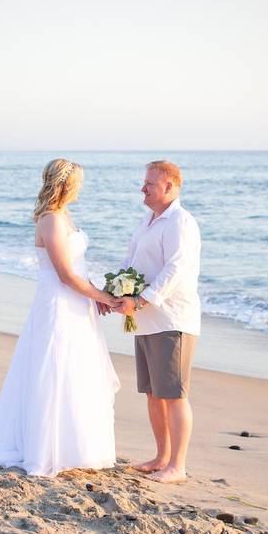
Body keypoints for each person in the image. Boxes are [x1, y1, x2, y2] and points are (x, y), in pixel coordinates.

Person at [0, 158, 122, 477]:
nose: (82, 186)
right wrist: (103, 296)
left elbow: (79, 270)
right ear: (67, 184)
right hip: (58, 305)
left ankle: (76, 444)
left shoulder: (65, 216)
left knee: (77, 370)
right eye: (79, 181)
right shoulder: (51, 220)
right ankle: (47, 447)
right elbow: (65, 275)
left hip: (77, 304)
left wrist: (96, 297)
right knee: (54, 370)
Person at [111, 160, 201, 484]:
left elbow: (174, 271)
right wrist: (112, 295)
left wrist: (141, 300)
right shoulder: (147, 221)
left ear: (170, 186)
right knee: (152, 393)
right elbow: (130, 261)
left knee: (174, 394)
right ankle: (161, 457)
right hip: (145, 320)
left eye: (149, 183)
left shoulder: (180, 223)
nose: (143, 188)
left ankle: (178, 465)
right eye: (144, 182)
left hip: (172, 319)